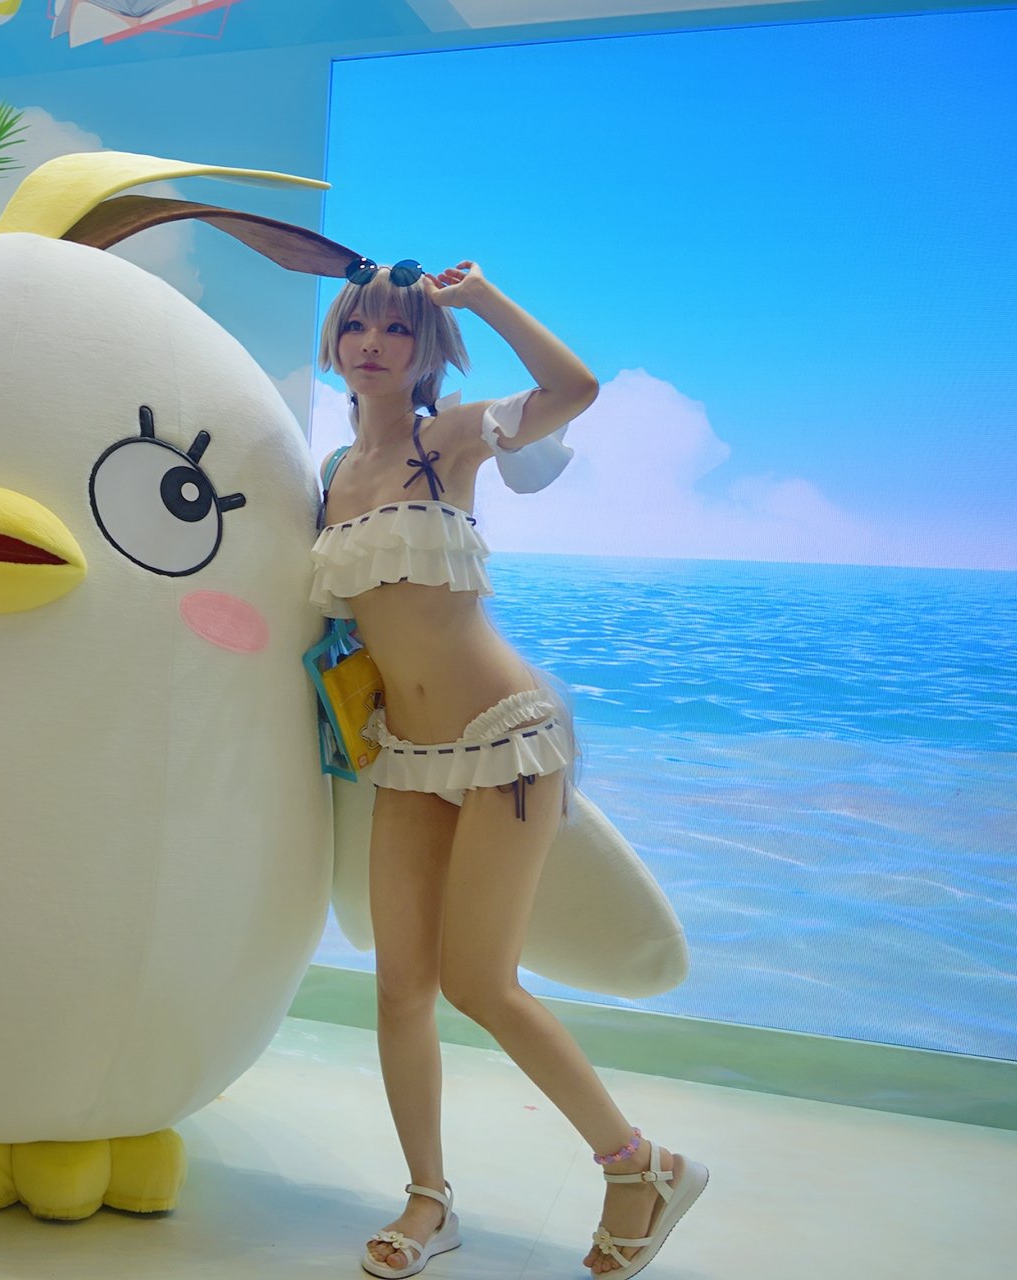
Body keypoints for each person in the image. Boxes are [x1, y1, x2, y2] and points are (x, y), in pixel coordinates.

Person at [312, 259, 707, 1278]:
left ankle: (640, 1165)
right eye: (357, 325)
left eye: (398, 329)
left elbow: (574, 389)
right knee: (400, 988)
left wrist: (481, 298)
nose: (373, 344)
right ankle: (429, 1199)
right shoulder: (331, 477)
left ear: (427, 350)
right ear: (335, 340)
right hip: (407, 755)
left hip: (506, 736)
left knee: (480, 982)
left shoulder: (448, 439)